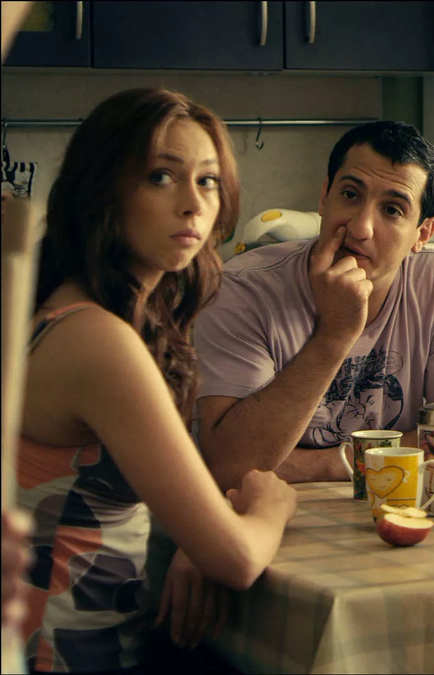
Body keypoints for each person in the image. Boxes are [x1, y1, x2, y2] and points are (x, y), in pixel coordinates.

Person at [17, 88, 298, 674]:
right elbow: (238, 559)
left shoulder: (76, 314)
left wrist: (206, 530)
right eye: (161, 177)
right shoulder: (96, 340)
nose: (193, 204)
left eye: (208, 180)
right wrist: (270, 506)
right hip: (61, 658)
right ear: (102, 191)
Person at [193, 121, 434, 489]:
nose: (360, 228)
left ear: (423, 234)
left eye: (392, 210)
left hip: (394, 507)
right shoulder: (243, 288)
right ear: (325, 197)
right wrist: (335, 334)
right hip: (268, 510)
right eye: (351, 195)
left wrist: (323, 463)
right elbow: (230, 467)